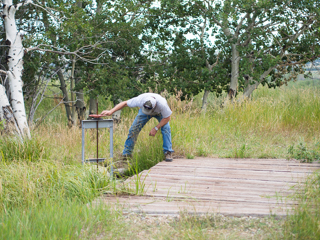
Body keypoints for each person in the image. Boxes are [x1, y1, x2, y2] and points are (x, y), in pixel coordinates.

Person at [90, 93, 174, 162]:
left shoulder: (162, 104)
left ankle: (168, 152)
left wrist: (156, 128)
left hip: (159, 113)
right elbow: (125, 103)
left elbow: (167, 118)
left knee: (166, 128)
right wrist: (111, 111)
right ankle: (127, 154)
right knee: (133, 130)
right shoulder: (140, 100)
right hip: (143, 112)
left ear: (155, 105)